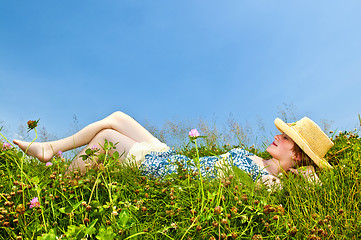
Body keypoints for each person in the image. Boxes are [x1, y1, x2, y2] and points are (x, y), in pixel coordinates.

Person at [12, 111, 334, 184]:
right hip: (177, 159)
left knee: (105, 140)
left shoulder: (272, 184)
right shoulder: (256, 159)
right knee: (118, 117)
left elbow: (310, 182)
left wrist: (308, 173)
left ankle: (59, 185)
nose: (278, 136)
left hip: (173, 173)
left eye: (287, 139)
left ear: (297, 155)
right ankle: (50, 148)